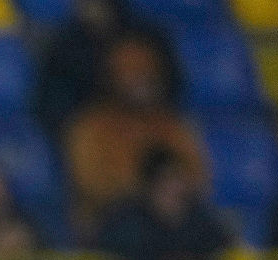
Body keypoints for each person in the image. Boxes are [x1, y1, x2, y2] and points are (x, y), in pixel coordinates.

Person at [65, 36, 208, 240]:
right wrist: (148, 194)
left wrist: (169, 194)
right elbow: (94, 185)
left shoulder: (171, 124)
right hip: (114, 225)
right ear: (112, 77)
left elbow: (197, 176)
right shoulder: (91, 128)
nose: (141, 80)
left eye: (146, 72)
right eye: (131, 73)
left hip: (173, 221)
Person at [32, 0, 182, 155]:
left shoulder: (144, 36)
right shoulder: (63, 47)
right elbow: (51, 102)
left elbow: (173, 83)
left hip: (152, 124)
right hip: (93, 133)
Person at [98, 146, 233, 260]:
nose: (175, 187)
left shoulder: (197, 217)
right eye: (167, 180)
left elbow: (225, 243)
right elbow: (106, 252)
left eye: (178, 179)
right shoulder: (127, 219)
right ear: (151, 185)